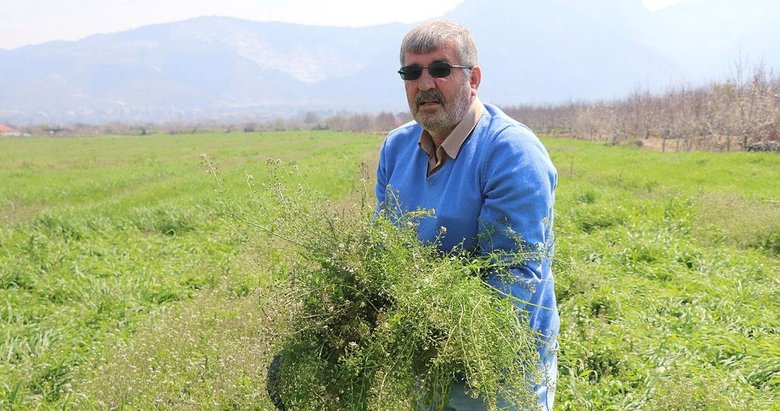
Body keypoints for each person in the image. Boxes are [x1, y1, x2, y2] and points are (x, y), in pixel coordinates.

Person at [375, 19, 559, 410]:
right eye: (412, 72)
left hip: (499, 367)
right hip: (423, 360)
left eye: (440, 70)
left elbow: (514, 275)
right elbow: (383, 250)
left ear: (473, 78)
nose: (424, 84)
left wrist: (435, 333)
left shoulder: (510, 152)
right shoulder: (396, 148)